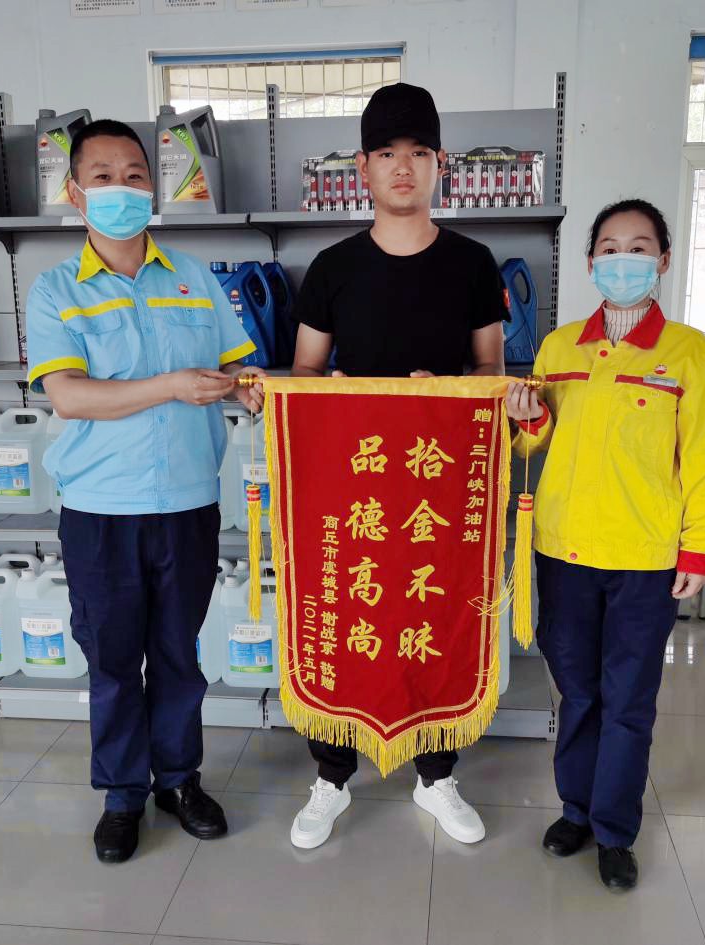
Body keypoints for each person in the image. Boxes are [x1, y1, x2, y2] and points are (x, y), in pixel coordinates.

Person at [26, 118, 264, 864]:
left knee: (177, 655)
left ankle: (179, 781)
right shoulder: (55, 290)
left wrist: (252, 387)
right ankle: (124, 793)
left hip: (188, 504)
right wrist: (170, 385)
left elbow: (236, 370)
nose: (121, 189)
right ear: (75, 193)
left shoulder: (193, 278)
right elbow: (69, 396)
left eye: (134, 175)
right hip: (102, 511)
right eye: (102, 177)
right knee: (112, 658)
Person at [287, 83, 507, 850]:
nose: (402, 167)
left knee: (433, 613)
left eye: (417, 152)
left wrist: (441, 393)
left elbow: (490, 372)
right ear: (363, 167)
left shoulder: (472, 264)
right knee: (347, 610)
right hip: (353, 487)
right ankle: (330, 778)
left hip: (438, 486)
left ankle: (435, 774)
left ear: (441, 162)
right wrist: (345, 395)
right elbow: (304, 377)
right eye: (386, 153)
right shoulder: (332, 267)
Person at [506, 199, 705, 890]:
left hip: (644, 558)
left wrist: (700, 548)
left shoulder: (689, 354)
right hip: (565, 551)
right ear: (590, 262)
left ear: (662, 260)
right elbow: (533, 446)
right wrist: (528, 419)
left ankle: (613, 829)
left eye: (639, 248)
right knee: (577, 693)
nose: (623, 260)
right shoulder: (558, 349)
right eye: (609, 248)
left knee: (628, 698)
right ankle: (575, 810)